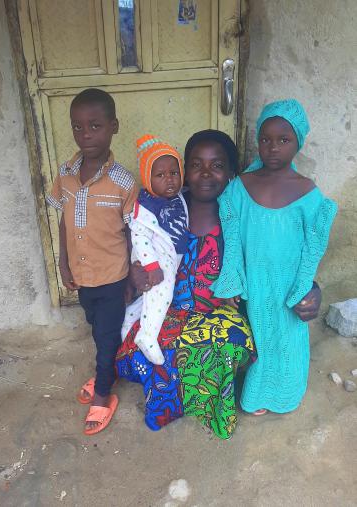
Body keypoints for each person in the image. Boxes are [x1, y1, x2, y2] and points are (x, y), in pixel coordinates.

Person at [116, 130, 256, 439]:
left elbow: (264, 261)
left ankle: (208, 406)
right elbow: (133, 242)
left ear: (231, 173)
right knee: (156, 347)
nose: (205, 173)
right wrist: (133, 273)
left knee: (224, 345)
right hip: (167, 310)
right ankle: (169, 407)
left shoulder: (237, 217)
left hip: (219, 312)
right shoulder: (164, 208)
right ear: (183, 171)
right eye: (195, 164)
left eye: (217, 165)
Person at [212, 99, 337, 416]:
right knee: (260, 340)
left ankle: (286, 393)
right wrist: (232, 281)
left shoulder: (307, 192)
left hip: (288, 284)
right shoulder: (241, 188)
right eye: (265, 139)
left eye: (284, 140)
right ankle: (256, 395)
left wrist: (305, 284)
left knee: (288, 342)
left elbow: (313, 244)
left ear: (298, 142)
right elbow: (232, 236)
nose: (273, 148)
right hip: (255, 283)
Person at [47, 88, 138, 435]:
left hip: (112, 276)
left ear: (113, 127)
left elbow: (131, 233)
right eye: (78, 127)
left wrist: (131, 275)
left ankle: (103, 393)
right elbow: (63, 221)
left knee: (105, 335)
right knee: (95, 325)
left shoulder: (124, 182)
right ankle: (108, 369)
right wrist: (64, 263)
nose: (86, 135)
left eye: (95, 126)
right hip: (82, 276)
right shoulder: (67, 173)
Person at [121, 135, 189, 365]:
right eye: (160, 175)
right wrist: (152, 266)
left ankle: (129, 319)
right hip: (156, 258)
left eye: (174, 173)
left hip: (170, 256)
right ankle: (147, 335)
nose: (169, 180)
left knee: (152, 298)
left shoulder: (179, 197)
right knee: (163, 292)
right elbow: (139, 236)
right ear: (147, 179)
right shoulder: (146, 203)